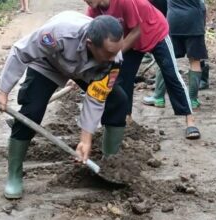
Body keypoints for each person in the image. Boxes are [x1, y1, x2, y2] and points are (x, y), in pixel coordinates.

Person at [0, 12, 128, 199]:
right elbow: (20, 52)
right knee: (32, 111)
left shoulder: (113, 59)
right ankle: (14, 174)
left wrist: (85, 139)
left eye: (116, 51)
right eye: (110, 53)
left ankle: (110, 163)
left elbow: (96, 98)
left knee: (118, 101)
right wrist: (3, 91)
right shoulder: (57, 34)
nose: (114, 57)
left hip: (87, 71)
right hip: (48, 63)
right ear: (90, 44)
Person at [84, 0, 202, 140]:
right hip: (131, 41)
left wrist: (116, 54)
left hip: (154, 32)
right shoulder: (93, 12)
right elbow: (92, 40)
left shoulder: (123, 2)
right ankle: (127, 119)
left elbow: (137, 30)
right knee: (123, 78)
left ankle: (190, 120)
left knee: (171, 74)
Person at [143, 0, 216, 109]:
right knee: (195, 61)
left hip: (174, 21)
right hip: (194, 22)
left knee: (165, 59)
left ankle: (158, 98)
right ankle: (192, 100)